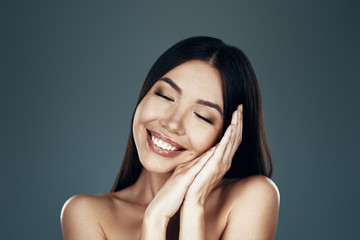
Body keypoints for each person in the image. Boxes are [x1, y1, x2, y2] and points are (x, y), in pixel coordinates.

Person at [61, 36, 280, 240]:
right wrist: (156, 217)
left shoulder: (251, 197)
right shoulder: (86, 213)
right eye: (165, 96)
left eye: (202, 116)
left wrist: (194, 203)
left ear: (227, 135)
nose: (172, 123)